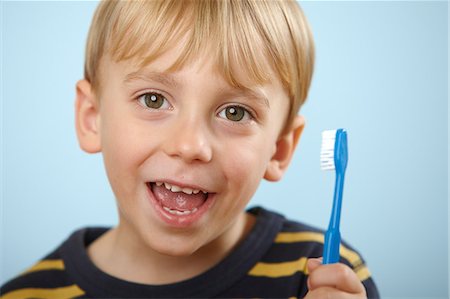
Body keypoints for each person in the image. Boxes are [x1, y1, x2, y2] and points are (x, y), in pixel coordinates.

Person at [1, 0, 379, 298]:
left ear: (279, 149)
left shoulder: (323, 277)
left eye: (235, 111)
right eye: (153, 100)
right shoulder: (29, 295)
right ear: (92, 117)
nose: (190, 146)